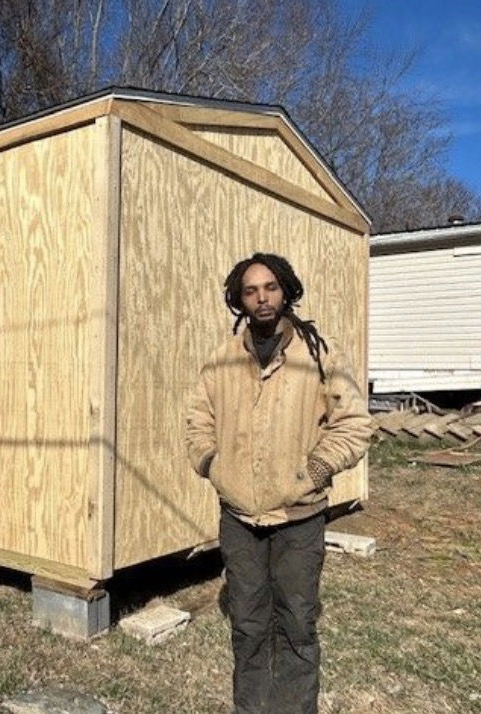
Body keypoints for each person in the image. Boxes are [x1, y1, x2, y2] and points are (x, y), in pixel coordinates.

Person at [184, 252, 373, 714]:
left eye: (270, 287)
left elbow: (354, 424)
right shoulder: (221, 360)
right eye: (250, 291)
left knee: (296, 624)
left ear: (285, 290)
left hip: (298, 517)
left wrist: (316, 470)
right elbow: (197, 420)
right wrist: (213, 464)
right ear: (239, 300)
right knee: (248, 625)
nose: (261, 298)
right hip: (239, 519)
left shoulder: (318, 354)